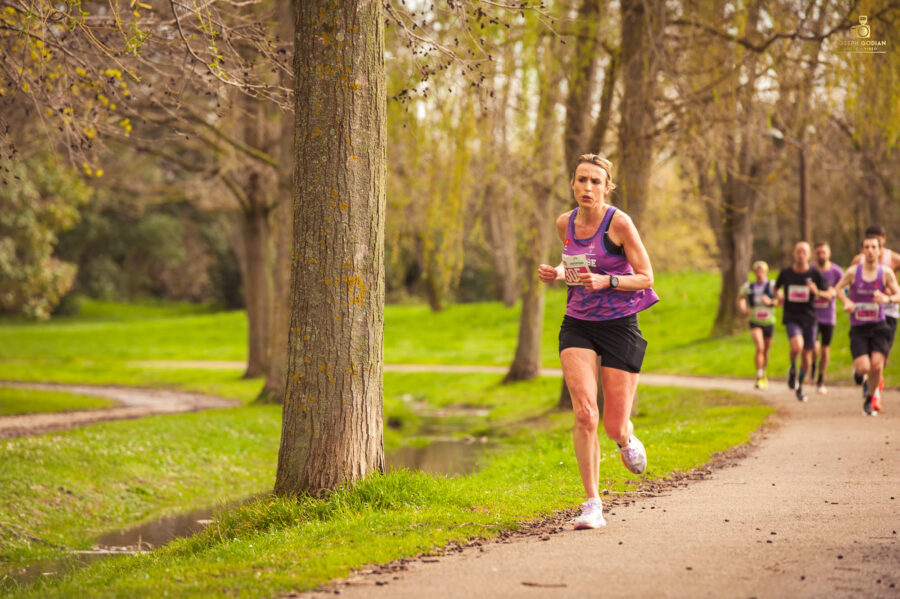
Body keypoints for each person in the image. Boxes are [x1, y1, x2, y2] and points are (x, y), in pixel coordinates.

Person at [538, 153, 659, 530]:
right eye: (581, 181)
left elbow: (647, 277)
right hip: (578, 323)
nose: (587, 188)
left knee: (612, 425)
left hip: (620, 324)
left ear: (606, 187)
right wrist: (557, 272)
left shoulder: (619, 223)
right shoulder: (565, 224)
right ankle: (593, 503)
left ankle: (625, 440)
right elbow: (575, 264)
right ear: (572, 184)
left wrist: (608, 281)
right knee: (585, 413)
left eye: (595, 182)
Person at [835, 234, 900, 415]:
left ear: (880, 251)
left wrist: (886, 298)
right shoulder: (853, 272)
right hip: (859, 327)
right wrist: (846, 302)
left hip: (879, 326)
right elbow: (838, 288)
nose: (870, 251)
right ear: (862, 251)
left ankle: (869, 398)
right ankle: (859, 373)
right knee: (864, 367)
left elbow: (898, 295)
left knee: (877, 365)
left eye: (874, 247)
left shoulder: (885, 273)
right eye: (867, 247)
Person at [774, 242, 827, 402]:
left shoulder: (815, 274)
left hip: (809, 318)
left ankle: (800, 386)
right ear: (794, 253)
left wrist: (816, 291)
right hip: (791, 316)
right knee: (797, 346)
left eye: (804, 251)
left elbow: (828, 293)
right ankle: (792, 368)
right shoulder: (786, 273)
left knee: (807, 355)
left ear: (809, 255)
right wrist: (779, 296)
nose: (801, 254)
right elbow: (776, 288)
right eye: (798, 251)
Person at [810, 243, 842, 394]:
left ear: (829, 253)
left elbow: (834, 293)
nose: (821, 255)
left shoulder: (836, 272)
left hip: (828, 316)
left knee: (825, 350)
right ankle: (813, 368)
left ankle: (821, 379)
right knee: (814, 348)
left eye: (823, 252)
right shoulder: (810, 270)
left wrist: (818, 293)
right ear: (815, 254)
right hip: (812, 316)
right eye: (818, 253)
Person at [738, 261, 776, 389]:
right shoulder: (748, 286)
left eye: (762, 271)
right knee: (759, 347)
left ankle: (764, 372)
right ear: (754, 273)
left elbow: (780, 300)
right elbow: (741, 297)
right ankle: (759, 375)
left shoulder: (772, 285)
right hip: (755, 321)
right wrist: (743, 308)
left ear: (766, 272)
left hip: (769, 321)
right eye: (757, 271)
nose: (759, 273)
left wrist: (771, 301)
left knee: (766, 350)